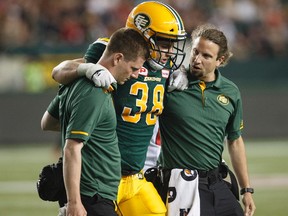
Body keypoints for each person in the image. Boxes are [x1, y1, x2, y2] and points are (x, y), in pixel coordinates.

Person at [51, 2, 187, 215]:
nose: (170, 51)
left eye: (172, 44)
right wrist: (88, 68)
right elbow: (59, 70)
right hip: (102, 175)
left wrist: (184, 73)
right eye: (164, 43)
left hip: (137, 174)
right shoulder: (111, 50)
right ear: (142, 35)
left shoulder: (165, 65)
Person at [40, 27, 150, 216]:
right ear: (117, 58)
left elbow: (47, 122)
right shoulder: (95, 91)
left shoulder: (74, 81)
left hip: (94, 194)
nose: (134, 75)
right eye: (133, 68)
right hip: (92, 195)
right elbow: (71, 148)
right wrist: (75, 203)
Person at [158, 24, 256, 216]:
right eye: (195, 52)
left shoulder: (230, 91)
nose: (197, 59)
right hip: (182, 184)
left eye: (206, 56)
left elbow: (235, 140)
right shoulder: (170, 84)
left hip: (216, 182)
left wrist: (246, 189)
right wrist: (168, 74)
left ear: (220, 60)